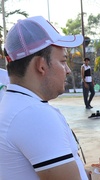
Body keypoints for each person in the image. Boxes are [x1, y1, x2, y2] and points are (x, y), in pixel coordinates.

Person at [0, 16, 87, 179]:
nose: (67, 70)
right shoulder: (33, 114)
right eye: (62, 61)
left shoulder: (13, 104)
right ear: (41, 65)